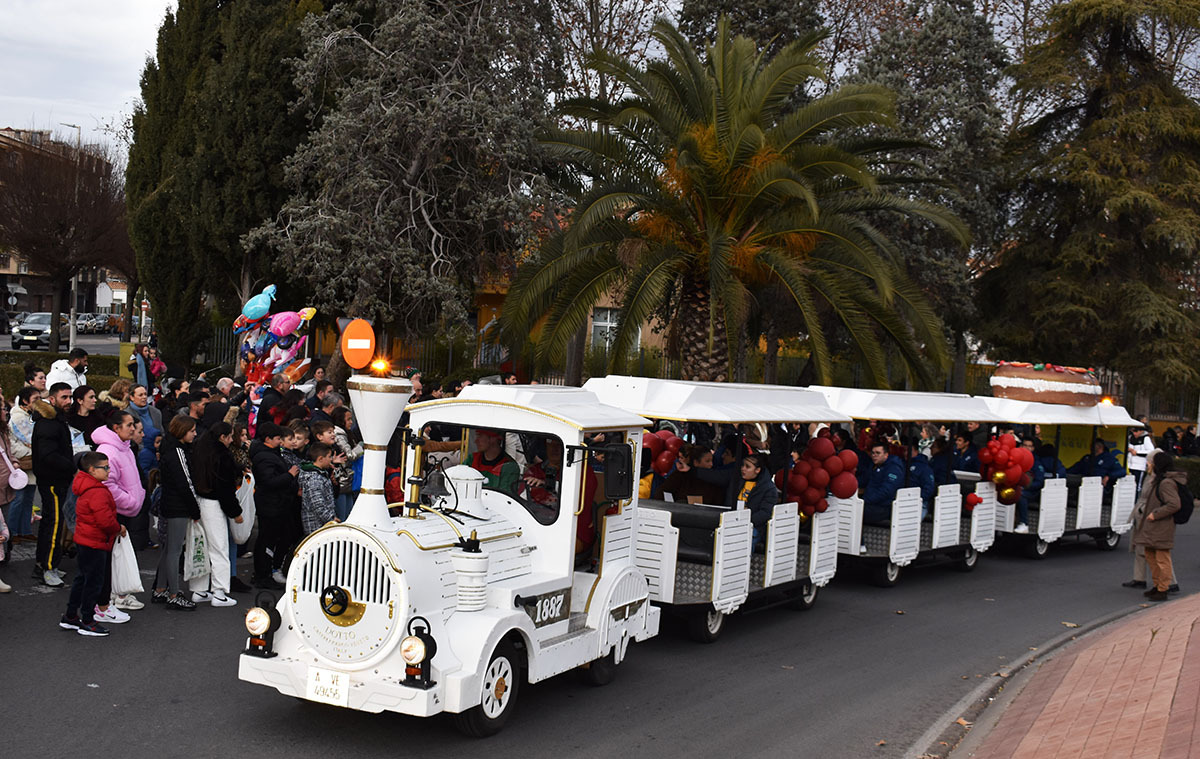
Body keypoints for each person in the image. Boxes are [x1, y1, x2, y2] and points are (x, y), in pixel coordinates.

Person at [58, 452, 125, 637]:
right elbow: (105, 520)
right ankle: (87, 620)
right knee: (93, 582)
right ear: (92, 470)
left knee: (82, 578)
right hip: (95, 541)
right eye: (105, 468)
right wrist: (118, 527)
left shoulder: (83, 486)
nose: (109, 470)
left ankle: (71, 616)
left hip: (85, 540)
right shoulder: (97, 491)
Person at [91, 411, 146, 611]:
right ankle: (114, 597)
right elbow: (108, 485)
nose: (133, 429)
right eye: (129, 425)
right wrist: (130, 500)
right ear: (116, 428)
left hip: (126, 509)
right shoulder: (109, 451)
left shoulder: (125, 447)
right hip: (117, 510)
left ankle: (117, 594)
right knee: (113, 556)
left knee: (119, 554)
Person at [188, 422, 242, 606]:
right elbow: (225, 489)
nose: (231, 440)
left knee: (200, 547)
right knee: (219, 548)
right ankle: (219, 592)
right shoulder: (223, 456)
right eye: (230, 437)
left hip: (198, 501)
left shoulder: (199, 449)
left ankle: (199, 590)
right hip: (214, 505)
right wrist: (236, 512)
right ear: (223, 437)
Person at [153, 416, 200, 611]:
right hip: (178, 506)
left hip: (170, 504)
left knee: (168, 549)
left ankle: (161, 589)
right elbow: (186, 482)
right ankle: (174, 593)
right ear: (182, 431)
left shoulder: (168, 449)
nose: (195, 434)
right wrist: (194, 508)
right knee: (174, 551)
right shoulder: (178, 452)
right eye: (192, 430)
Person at [32, 383, 76, 587]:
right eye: (64, 397)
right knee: (54, 524)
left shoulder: (55, 420)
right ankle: (48, 568)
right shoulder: (48, 423)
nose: (69, 401)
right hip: (52, 482)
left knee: (52, 524)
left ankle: (47, 564)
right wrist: (71, 466)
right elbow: (48, 455)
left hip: (56, 480)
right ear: (52, 399)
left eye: (70, 397)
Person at [690, 452, 779, 549]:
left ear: (757, 470)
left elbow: (765, 513)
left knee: (745, 538)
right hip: (729, 521)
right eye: (742, 465)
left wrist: (745, 519)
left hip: (752, 526)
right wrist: (691, 470)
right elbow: (716, 476)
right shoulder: (736, 479)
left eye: (747, 467)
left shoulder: (768, 488)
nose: (743, 469)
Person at [251, 423, 299, 589]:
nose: (280, 442)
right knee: (267, 540)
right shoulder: (264, 457)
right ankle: (263, 575)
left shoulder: (271, 454)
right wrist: (289, 475)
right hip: (271, 505)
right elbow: (268, 482)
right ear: (268, 439)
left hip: (278, 504)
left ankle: (267, 571)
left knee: (278, 537)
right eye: (278, 438)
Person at [1131, 451, 1184, 602]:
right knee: (1150, 555)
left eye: (1151, 462)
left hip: (1161, 525)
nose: (1148, 464)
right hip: (1153, 526)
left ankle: (1163, 589)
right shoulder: (1158, 480)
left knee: (1162, 558)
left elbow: (1174, 504)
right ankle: (1157, 585)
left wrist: (1156, 514)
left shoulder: (1166, 483)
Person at [7, 386, 39, 540]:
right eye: (35, 400)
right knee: (19, 499)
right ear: (25, 401)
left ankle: (25, 530)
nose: (39, 403)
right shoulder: (19, 417)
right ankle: (12, 532)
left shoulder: (29, 416)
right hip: (22, 462)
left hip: (29, 462)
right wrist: (31, 452)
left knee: (28, 499)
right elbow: (28, 440)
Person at [861, 442, 905, 525]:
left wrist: (866, 500)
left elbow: (886, 491)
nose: (874, 455)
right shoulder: (874, 466)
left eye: (878, 453)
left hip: (884, 507)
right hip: (871, 504)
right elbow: (864, 480)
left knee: (857, 512)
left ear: (886, 454)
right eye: (873, 453)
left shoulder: (894, 468)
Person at [330, 406, 363, 519]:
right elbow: (350, 455)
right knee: (343, 514)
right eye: (348, 419)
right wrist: (361, 447)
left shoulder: (347, 434)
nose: (351, 422)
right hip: (342, 479)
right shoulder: (339, 435)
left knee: (349, 512)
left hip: (348, 480)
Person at [299, 442, 338, 535]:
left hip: (323, 524)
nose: (331, 460)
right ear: (320, 459)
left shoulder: (322, 474)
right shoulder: (314, 478)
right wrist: (331, 519)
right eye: (329, 457)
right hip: (316, 526)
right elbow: (317, 504)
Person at [470, 428, 521, 497]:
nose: (476, 441)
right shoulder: (472, 459)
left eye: (479, 436)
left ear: (493, 439)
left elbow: (504, 499)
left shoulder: (509, 467)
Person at [127, 384, 162, 472]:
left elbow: (161, 432)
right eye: (140, 395)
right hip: (138, 454)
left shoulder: (156, 412)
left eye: (145, 394)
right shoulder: (126, 415)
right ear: (131, 397)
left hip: (157, 453)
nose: (144, 397)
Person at [906, 442, 935, 519]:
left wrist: (915, 498)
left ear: (916, 451)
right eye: (905, 450)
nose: (906, 453)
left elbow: (928, 489)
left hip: (919, 503)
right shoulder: (902, 464)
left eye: (910, 450)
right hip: (901, 500)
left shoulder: (924, 468)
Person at [1127, 426, 1155, 494]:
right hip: (1129, 465)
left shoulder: (1146, 438)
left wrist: (1137, 452)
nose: (1134, 433)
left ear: (1141, 431)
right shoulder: (1130, 437)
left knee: (1137, 486)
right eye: (1133, 431)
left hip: (1139, 466)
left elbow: (1151, 451)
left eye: (1136, 431)